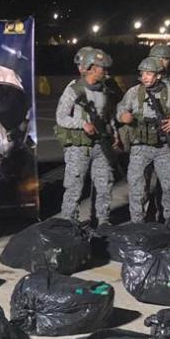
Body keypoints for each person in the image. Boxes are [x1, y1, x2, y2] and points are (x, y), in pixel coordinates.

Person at [117, 56, 170, 223]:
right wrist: (123, 116)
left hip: (164, 147)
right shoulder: (134, 92)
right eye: (142, 73)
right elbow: (121, 108)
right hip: (140, 147)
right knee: (137, 189)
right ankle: (138, 225)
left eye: (149, 73)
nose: (145, 77)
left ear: (158, 75)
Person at [55, 47, 116, 226]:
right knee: (74, 187)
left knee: (105, 185)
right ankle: (69, 224)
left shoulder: (104, 89)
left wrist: (113, 132)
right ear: (90, 68)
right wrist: (82, 124)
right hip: (79, 146)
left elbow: (108, 114)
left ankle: (103, 221)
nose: (105, 72)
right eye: (101, 68)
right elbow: (61, 117)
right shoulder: (74, 89)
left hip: (101, 145)